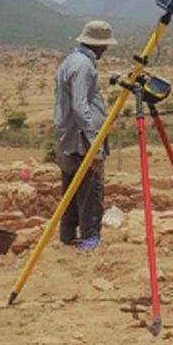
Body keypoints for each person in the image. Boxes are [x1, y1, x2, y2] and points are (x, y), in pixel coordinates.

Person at [53, 20, 117, 251]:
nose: (106, 50)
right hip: (83, 140)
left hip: (69, 138)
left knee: (71, 189)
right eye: (104, 46)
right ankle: (90, 240)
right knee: (91, 190)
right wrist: (95, 146)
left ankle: (68, 238)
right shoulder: (84, 66)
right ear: (97, 45)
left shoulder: (70, 61)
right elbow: (81, 107)